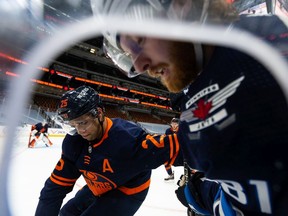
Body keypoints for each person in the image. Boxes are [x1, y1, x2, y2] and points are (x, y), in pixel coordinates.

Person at [95, 0, 288, 215]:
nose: (140, 66)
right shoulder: (193, 99)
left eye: (140, 40)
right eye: (130, 56)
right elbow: (242, 194)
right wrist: (201, 193)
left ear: (182, 6)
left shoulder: (264, 46)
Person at [35, 85, 183, 216]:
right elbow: (54, 189)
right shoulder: (73, 142)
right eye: (73, 125)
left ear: (98, 113)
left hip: (127, 191)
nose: (80, 131)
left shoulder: (129, 140)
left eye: (83, 122)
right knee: (66, 213)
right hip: (100, 184)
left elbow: (178, 146)